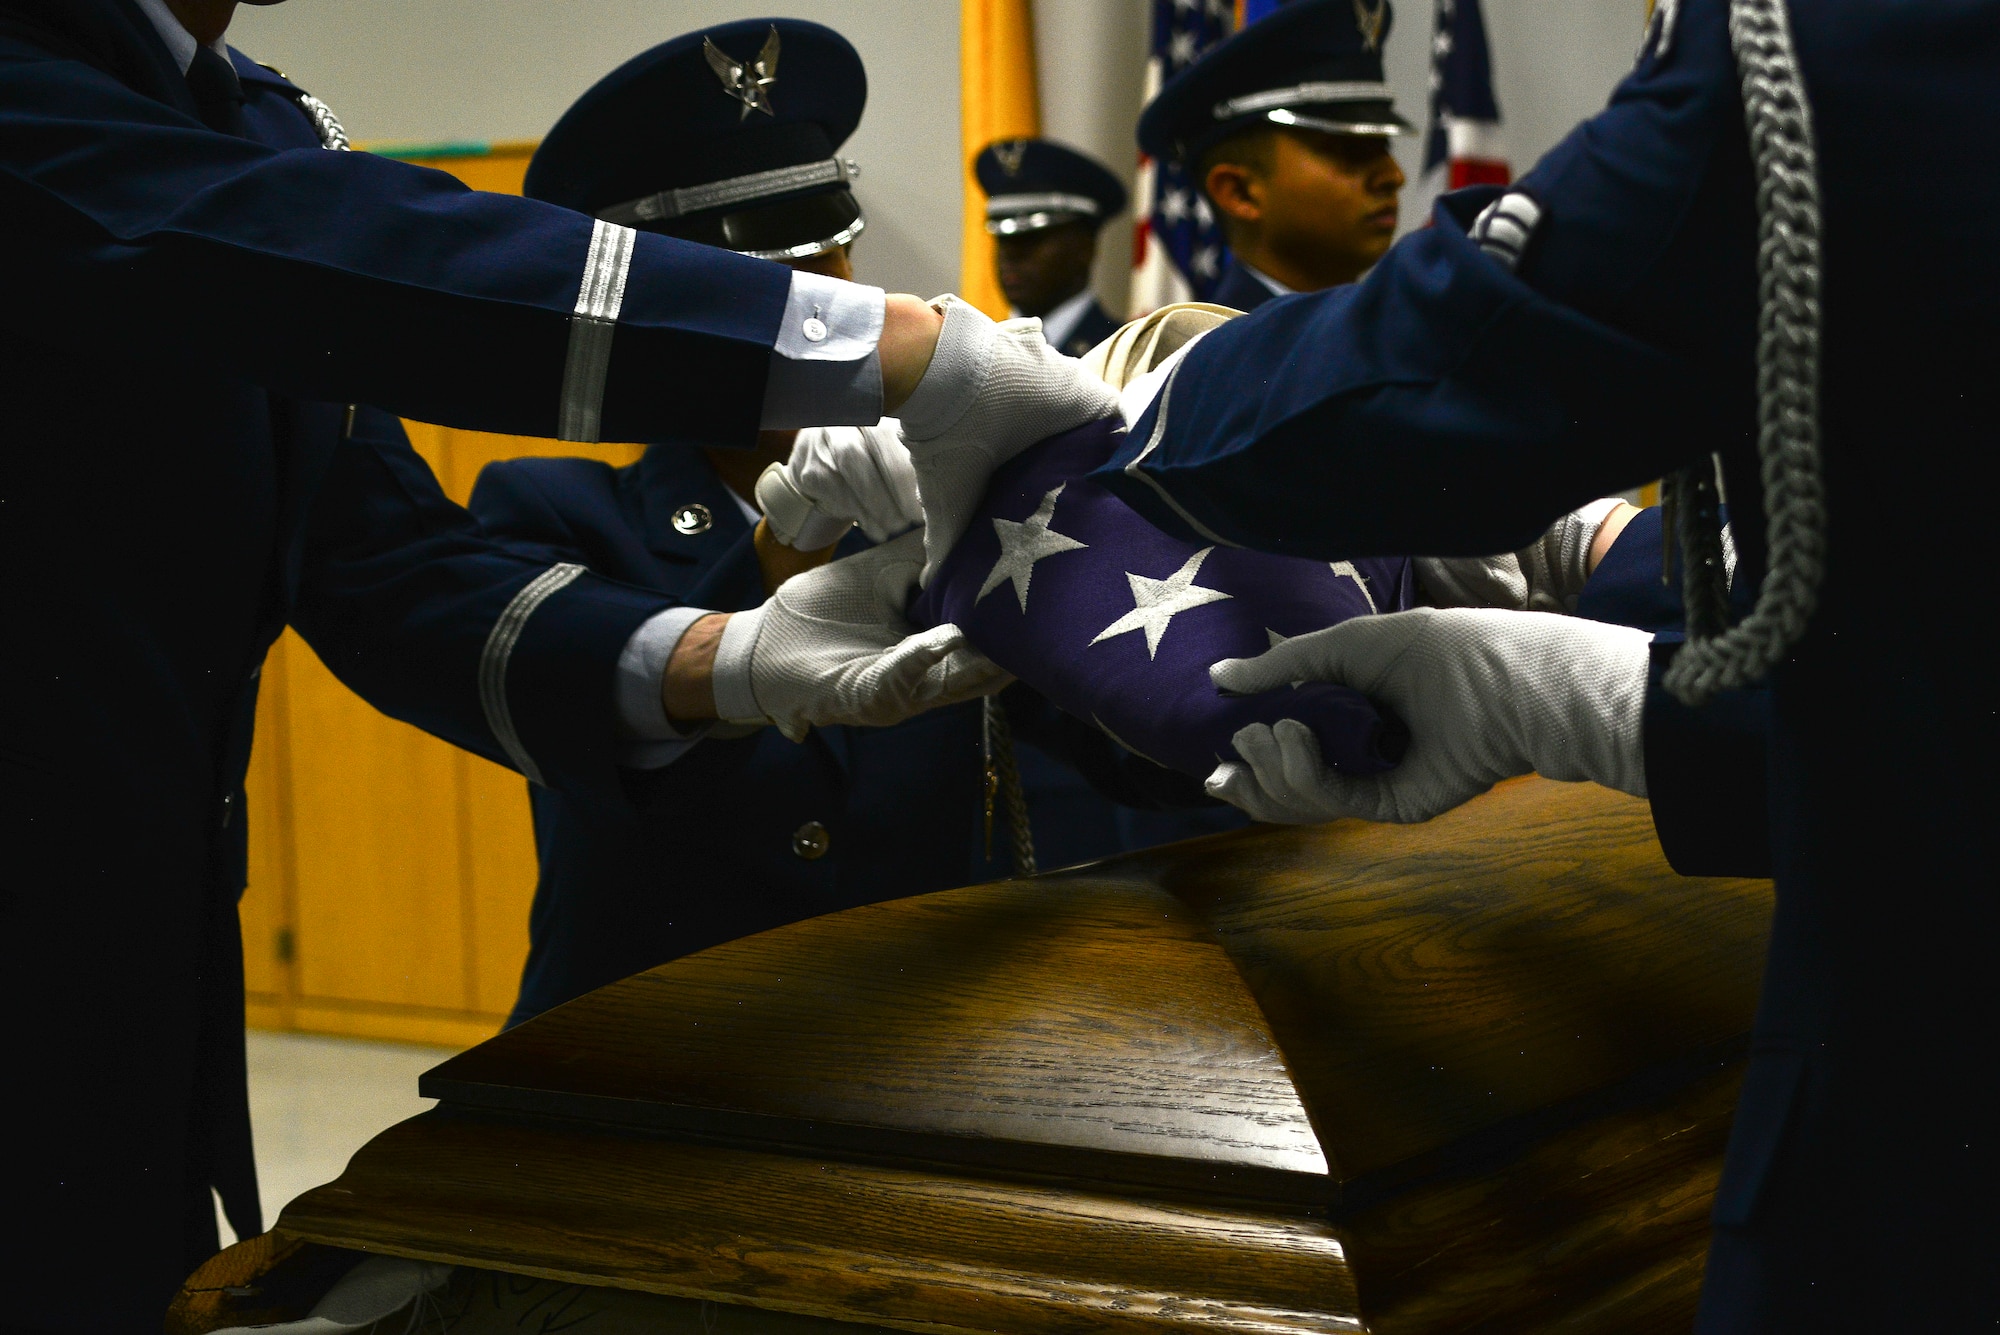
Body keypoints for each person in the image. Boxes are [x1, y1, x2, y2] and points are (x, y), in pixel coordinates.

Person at [0, 1, 1058, 1328]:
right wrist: (897, 351)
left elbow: (378, 560)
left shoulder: (247, 113)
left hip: (123, 1032)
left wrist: (725, 662)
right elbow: (289, 245)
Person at [1052, 0, 1990, 1324]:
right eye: (1339, 145)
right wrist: (1593, 704)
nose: (1389, 168)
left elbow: (1476, 349)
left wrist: (1115, 421)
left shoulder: (1837, 43)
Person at [471, 20, 1208, 1026]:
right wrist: (784, 555)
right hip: (651, 1059)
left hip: (919, 1051)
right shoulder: (553, 513)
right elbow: (621, 751)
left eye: (832, 273)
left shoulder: (954, 505)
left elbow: (1133, 748)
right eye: (765, 291)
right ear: (651, 319)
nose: (818, 319)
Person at [1139, 0, 1411, 312]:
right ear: (1238, 192)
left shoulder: (1411, 337)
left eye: (1384, 147)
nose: (1394, 176)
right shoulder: (1221, 355)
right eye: (1349, 152)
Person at [975, 137, 1127, 356]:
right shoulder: (975, 355)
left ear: (1085, 247)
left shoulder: (1125, 356)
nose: (1010, 253)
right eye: (1003, 238)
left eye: (1032, 237)